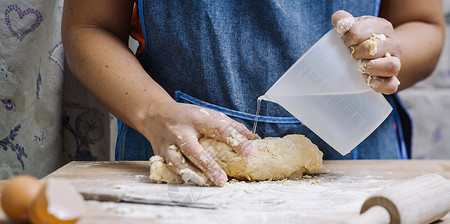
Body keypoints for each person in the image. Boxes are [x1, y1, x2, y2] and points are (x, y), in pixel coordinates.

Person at [62, 0, 445, 186]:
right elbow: (89, 27)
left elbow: (424, 25)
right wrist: (154, 111)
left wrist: (388, 54)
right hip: (180, 153)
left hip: (360, 161)